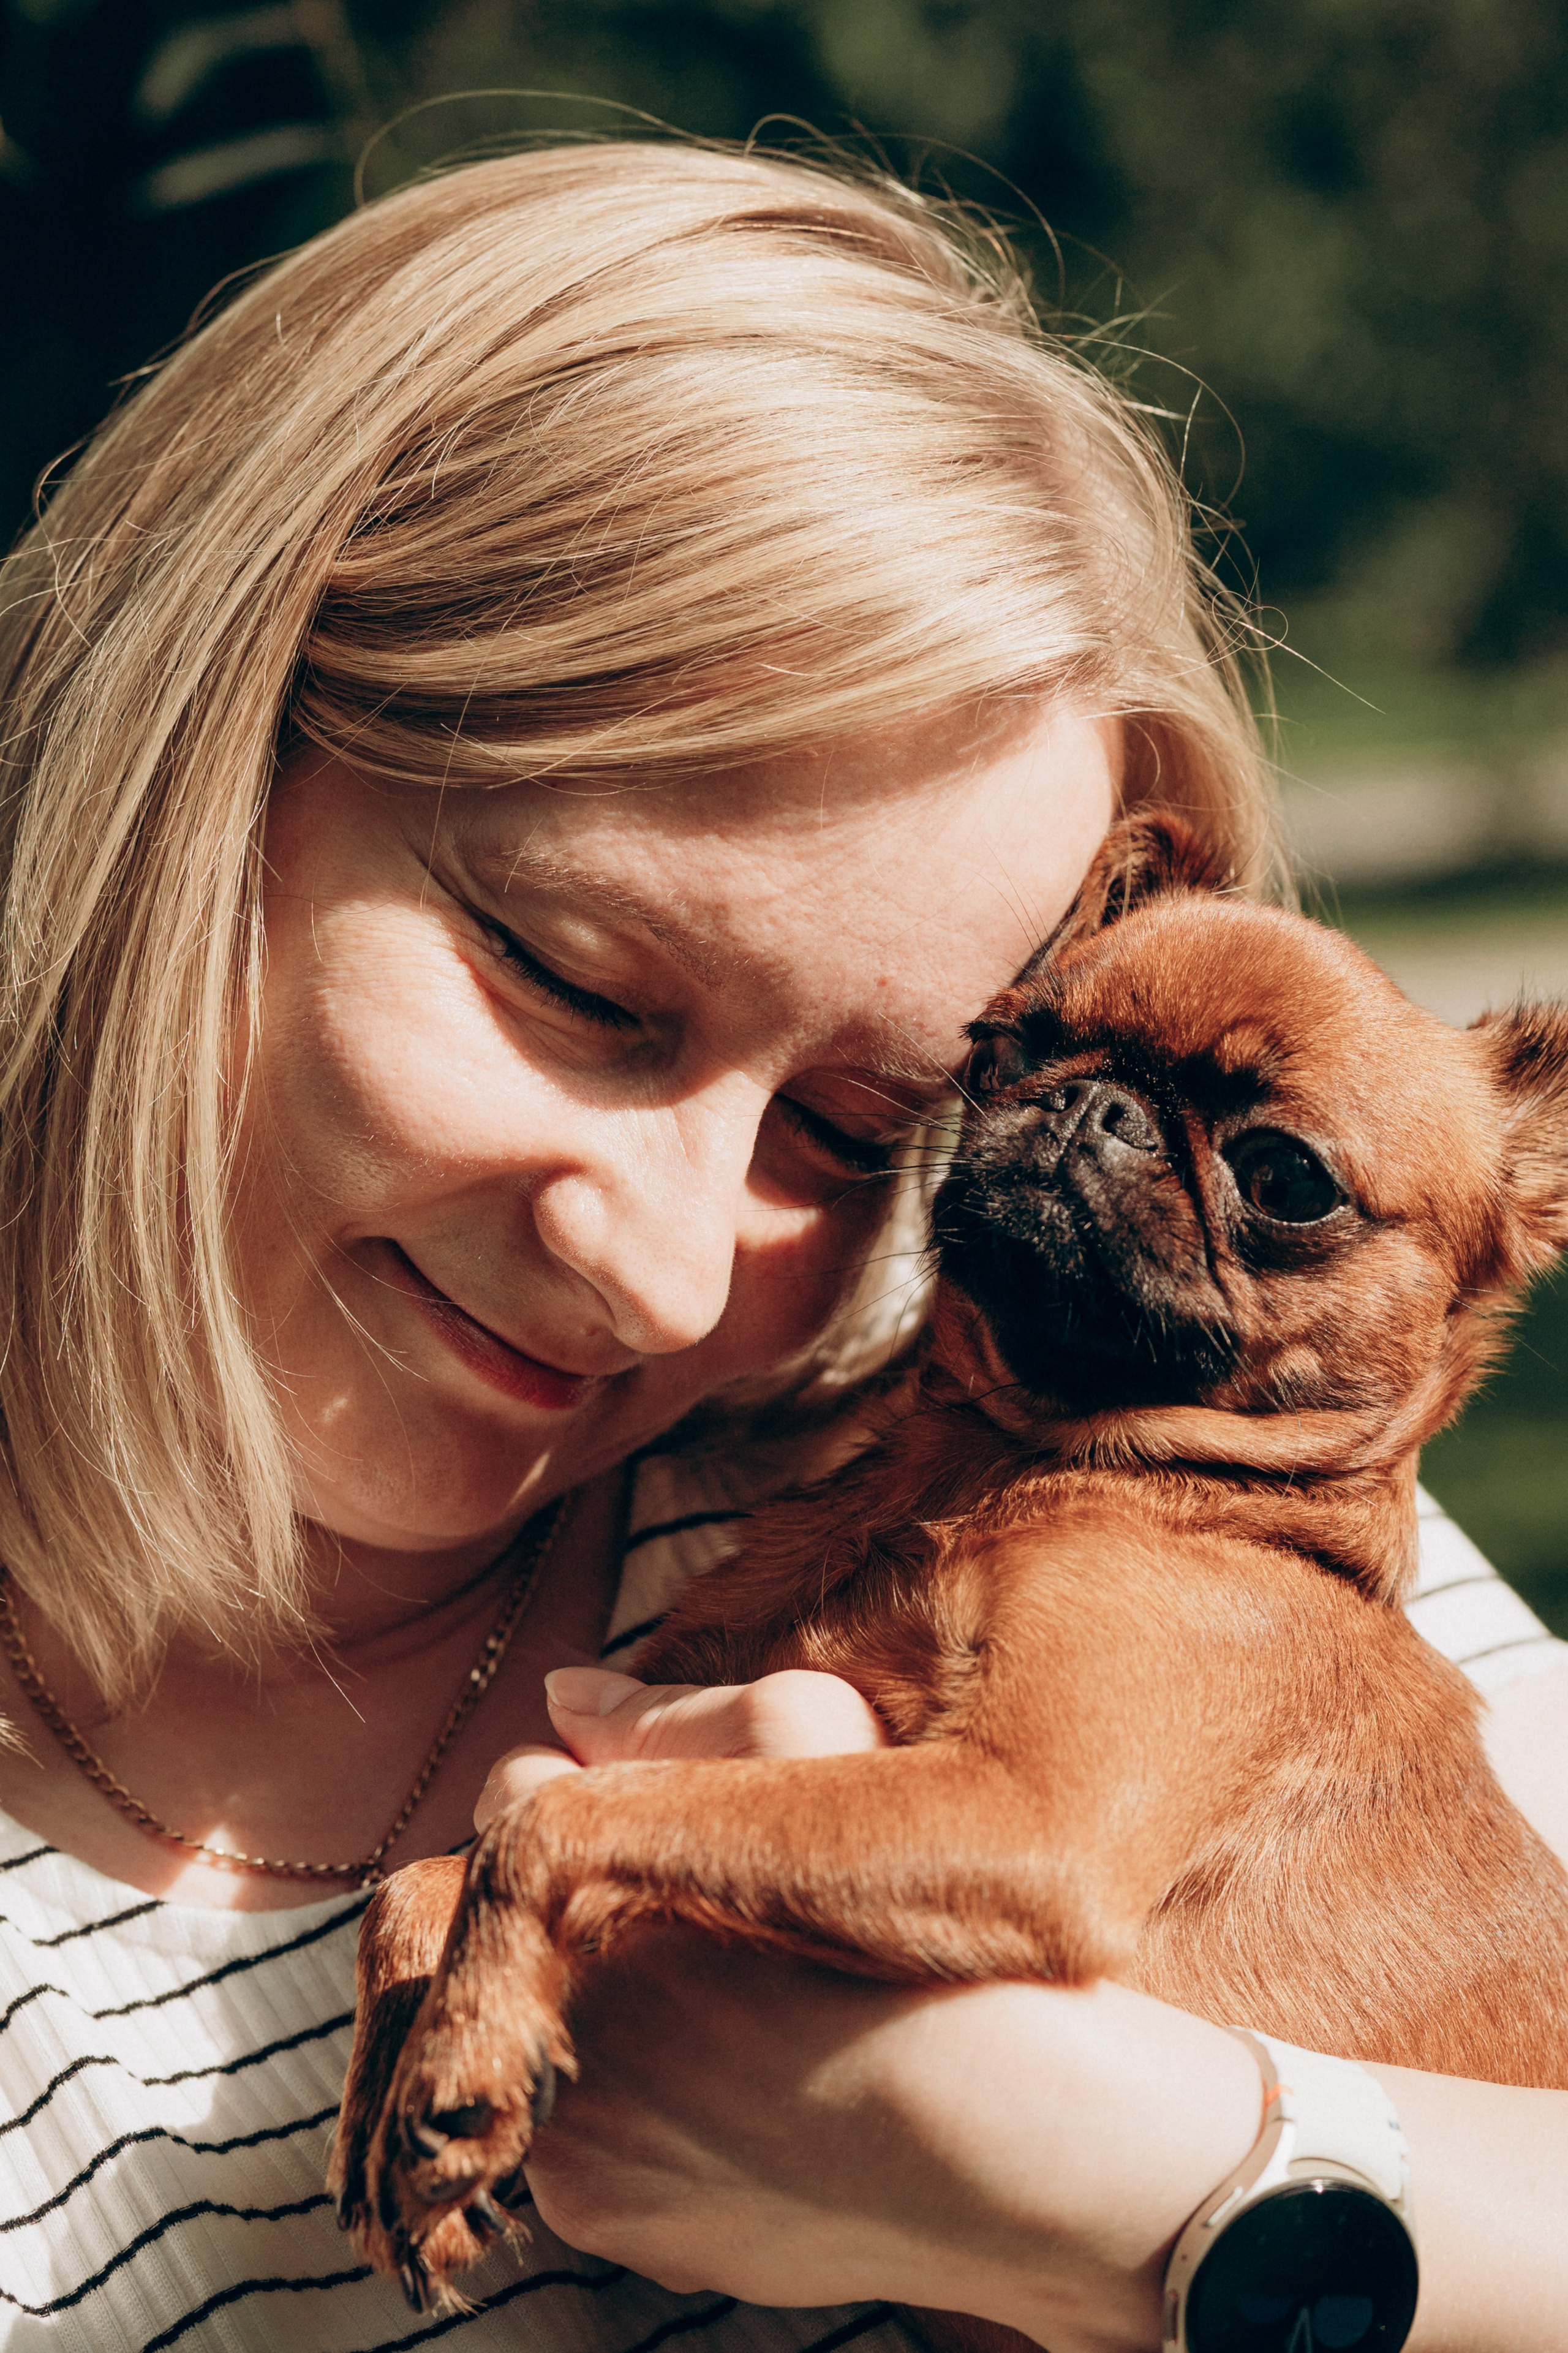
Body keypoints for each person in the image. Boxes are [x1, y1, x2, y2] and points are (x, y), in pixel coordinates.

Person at [0, 139, 1561, 2353]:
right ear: (190, 765)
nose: (660, 1271)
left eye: (861, 1124)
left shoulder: (1043, 1416)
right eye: (576, 983)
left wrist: (1168, 2184)